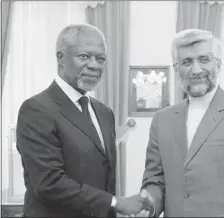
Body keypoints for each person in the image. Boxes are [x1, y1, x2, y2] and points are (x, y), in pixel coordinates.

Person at [136, 29, 224, 217]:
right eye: (186, 62)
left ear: (218, 64)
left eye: (204, 59)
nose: (196, 70)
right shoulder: (162, 120)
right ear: (176, 69)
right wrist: (149, 203)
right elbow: (155, 180)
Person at [16, 24, 146, 217]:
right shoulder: (36, 109)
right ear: (61, 58)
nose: (94, 65)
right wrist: (115, 203)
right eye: (84, 56)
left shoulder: (105, 113)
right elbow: (49, 183)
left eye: (100, 59)